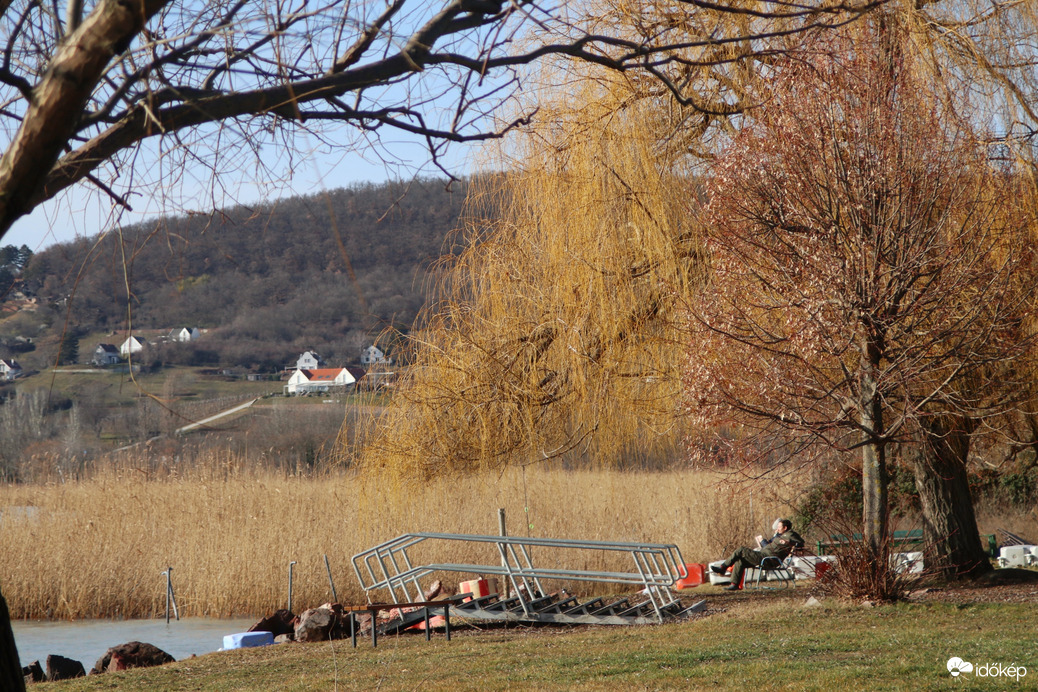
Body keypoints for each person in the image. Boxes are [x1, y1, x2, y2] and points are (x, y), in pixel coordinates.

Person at [711, 518, 804, 591]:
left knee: (741, 550)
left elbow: (800, 543)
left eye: (779, 527)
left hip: (768, 559)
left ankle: (723, 568)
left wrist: (790, 543)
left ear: (785, 528)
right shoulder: (780, 535)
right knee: (741, 561)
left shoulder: (790, 534)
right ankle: (734, 585)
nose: (777, 529)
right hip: (763, 555)